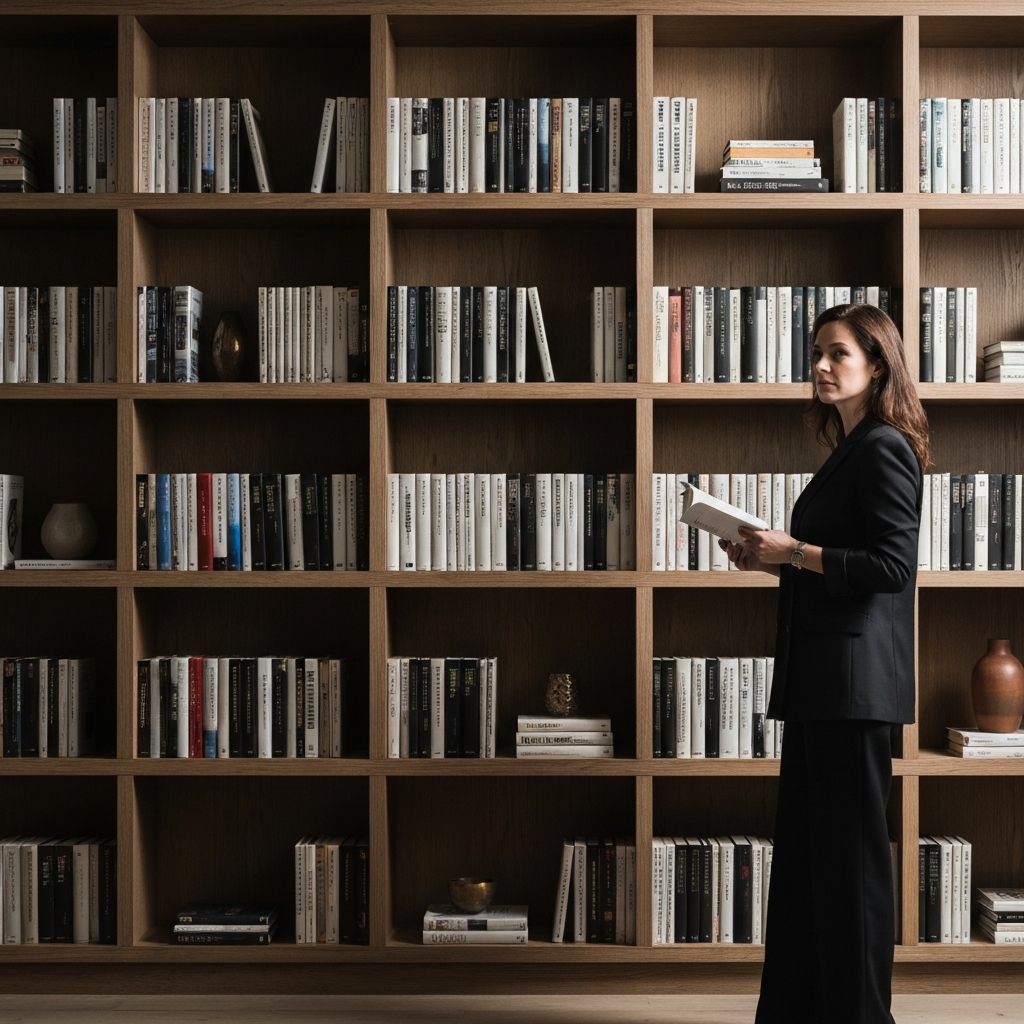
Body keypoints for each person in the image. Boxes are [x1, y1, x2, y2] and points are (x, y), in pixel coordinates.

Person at [719, 304, 928, 1024]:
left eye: (837, 353)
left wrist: (795, 553)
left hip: (854, 688)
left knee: (853, 870)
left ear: (877, 364)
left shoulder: (884, 448)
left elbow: (893, 568)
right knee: (811, 867)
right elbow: (840, 566)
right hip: (819, 687)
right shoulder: (849, 450)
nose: (821, 366)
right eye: (816, 353)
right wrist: (770, 562)